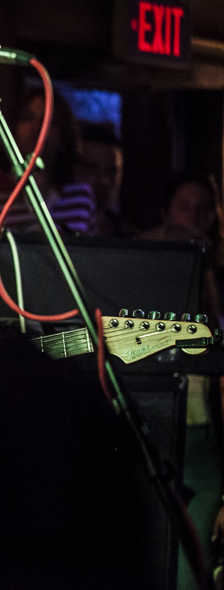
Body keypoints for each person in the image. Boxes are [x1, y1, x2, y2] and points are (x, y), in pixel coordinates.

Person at [140, 172, 224, 590]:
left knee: (195, 563)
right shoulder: (150, 255)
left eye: (204, 209)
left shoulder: (212, 268)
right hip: (154, 422)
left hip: (204, 431)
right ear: (165, 212)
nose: (194, 217)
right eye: (184, 207)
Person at [0, 88, 95, 234]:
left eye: (48, 121)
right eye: (27, 118)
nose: (36, 127)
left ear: (63, 133)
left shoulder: (80, 195)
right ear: (13, 128)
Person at [75, 121, 132, 238]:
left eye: (112, 171)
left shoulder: (129, 237)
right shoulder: (56, 227)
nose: (104, 180)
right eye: (92, 168)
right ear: (75, 169)